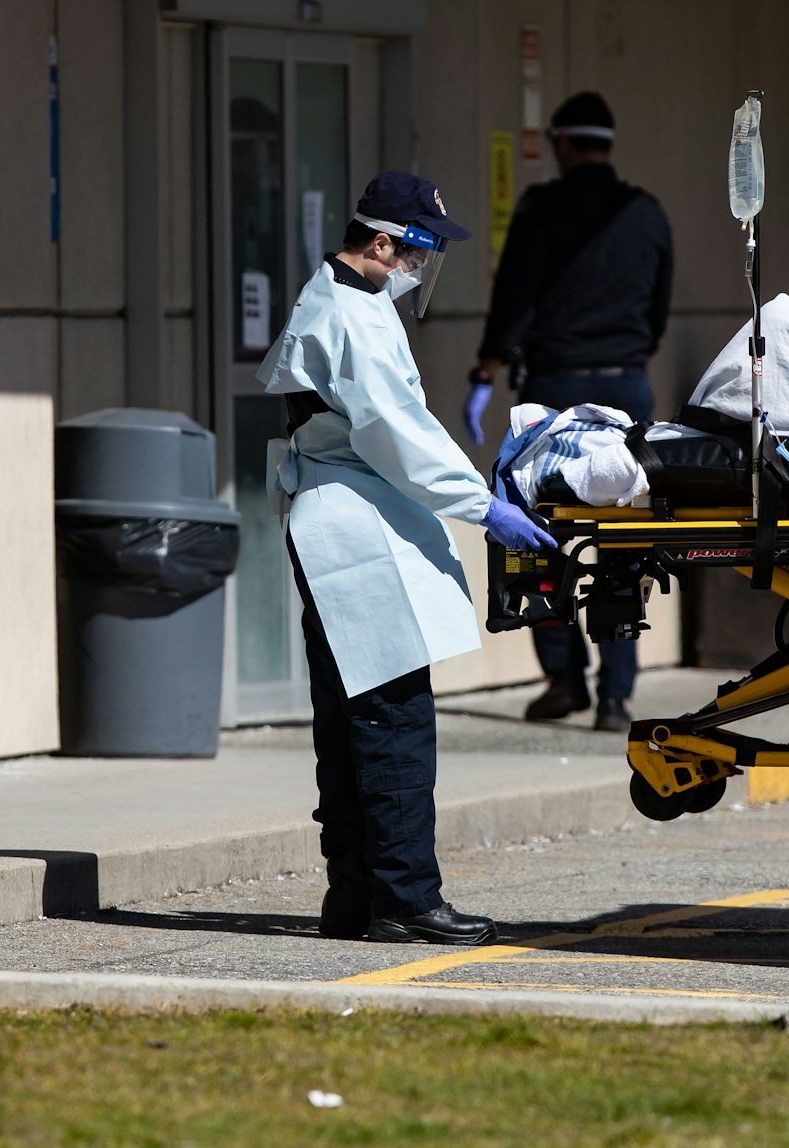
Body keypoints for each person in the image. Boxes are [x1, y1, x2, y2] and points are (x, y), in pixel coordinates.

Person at [257, 171, 555, 946]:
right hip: (353, 530)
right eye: (417, 254)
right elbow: (402, 436)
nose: (420, 271)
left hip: (339, 520)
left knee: (349, 723)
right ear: (382, 243)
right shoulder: (355, 316)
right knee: (391, 722)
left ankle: (354, 898)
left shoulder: (335, 295)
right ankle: (405, 899)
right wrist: (484, 506)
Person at [465, 92, 674, 733]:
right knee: (623, 536)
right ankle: (615, 695)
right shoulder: (647, 214)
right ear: (606, 144)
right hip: (626, 390)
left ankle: (563, 680)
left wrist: (486, 369)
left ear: (562, 143)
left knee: (539, 530)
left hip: (552, 394)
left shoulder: (542, 209)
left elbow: (516, 295)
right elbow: (659, 310)